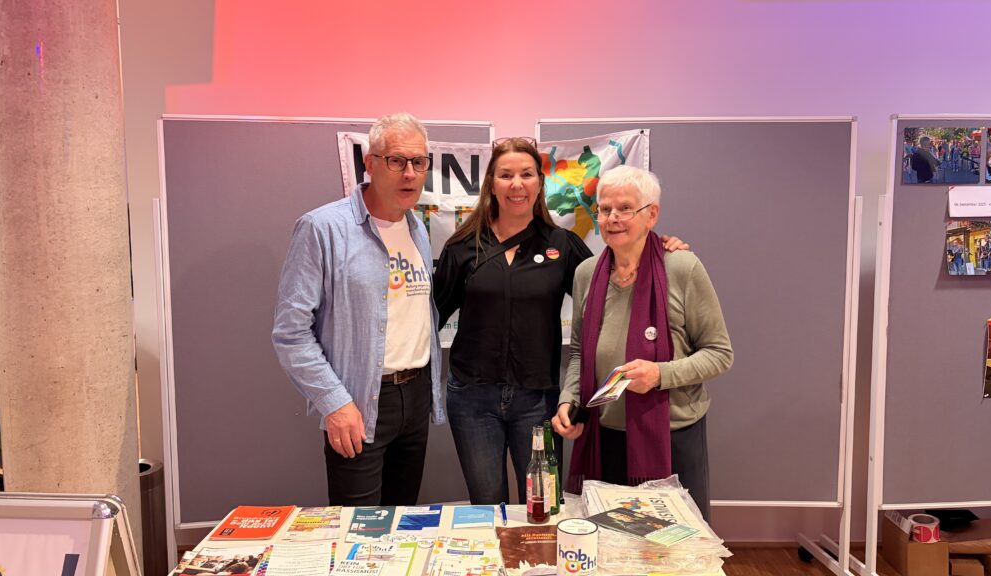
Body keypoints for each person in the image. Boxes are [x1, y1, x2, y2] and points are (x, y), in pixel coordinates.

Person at [433, 137, 686, 505]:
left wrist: (657, 247)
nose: (517, 184)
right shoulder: (462, 247)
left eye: (526, 174)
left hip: (537, 400)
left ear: (540, 183)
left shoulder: (561, 245)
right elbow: (429, 317)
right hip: (473, 399)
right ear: (491, 183)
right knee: (487, 505)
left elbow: (615, 278)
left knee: (543, 504)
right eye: (506, 175)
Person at [272, 112, 445, 506]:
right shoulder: (322, 228)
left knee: (402, 521)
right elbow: (291, 333)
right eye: (396, 160)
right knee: (358, 529)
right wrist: (334, 401)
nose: (409, 174)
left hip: (415, 397)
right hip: (359, 400)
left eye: (419, 162)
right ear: (370, 163)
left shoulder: (416, 228)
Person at [552, 165, 733, 523]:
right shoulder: (586, 273)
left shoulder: (682, 268)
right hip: (604, 436)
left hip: (670, 437)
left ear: (651, 215)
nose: (613, 218)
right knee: (610, 538)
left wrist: (659, 375)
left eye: (625, 209)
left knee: (672, 543)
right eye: (605, 209)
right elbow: (579, 353)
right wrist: (569, 399)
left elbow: (719, 354)